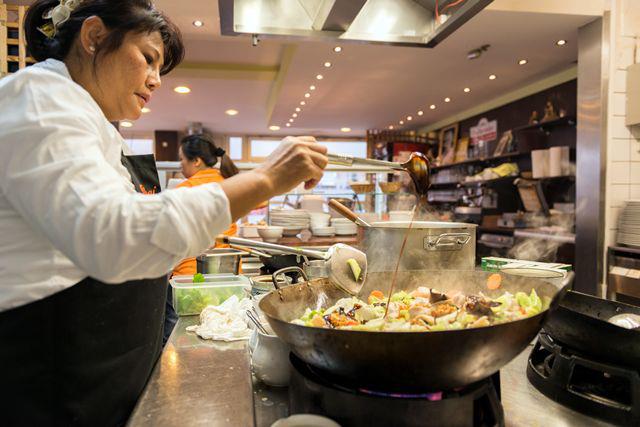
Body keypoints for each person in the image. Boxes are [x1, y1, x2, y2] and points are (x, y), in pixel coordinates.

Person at [0, 1, 328, 425]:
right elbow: (114, 235)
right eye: (148, 58)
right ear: (95, 37)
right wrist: (266, 178)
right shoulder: (39, 99)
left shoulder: (91, 121)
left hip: (99, 380)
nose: (156, 80)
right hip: (51, 384)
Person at [172, 134, 239, 277]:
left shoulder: (185, 189)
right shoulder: (230, 183)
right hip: (230, 271)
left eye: (181, 159)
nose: (180, 164)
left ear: (196, 161)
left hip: (192, 274)